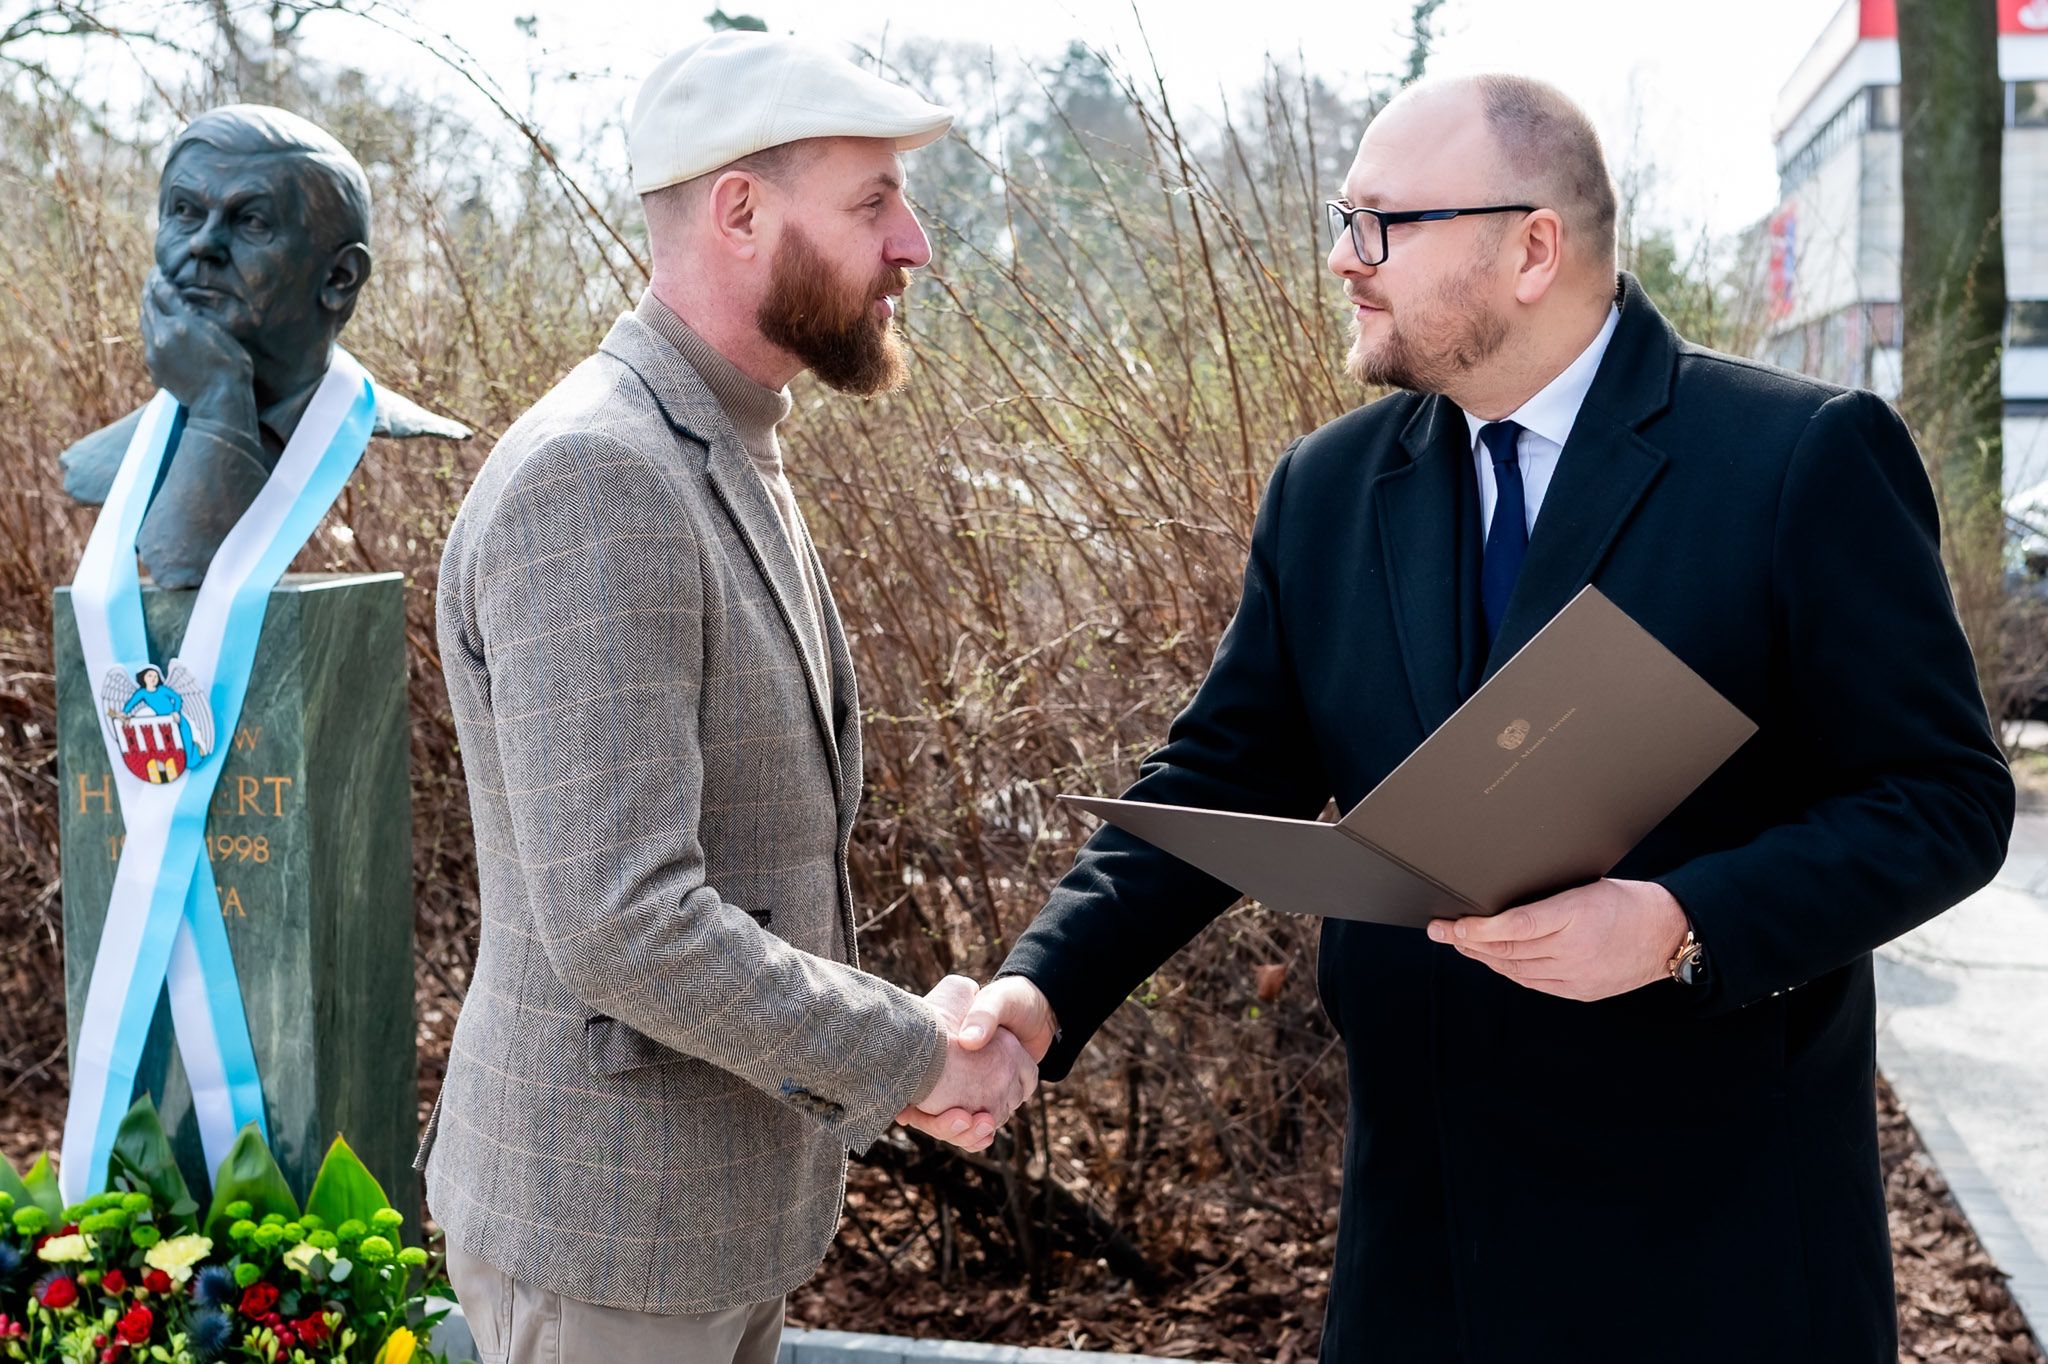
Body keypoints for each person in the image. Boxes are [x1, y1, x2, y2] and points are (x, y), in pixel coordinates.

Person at [953, 74, 2015, 1362]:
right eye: (1343, 219)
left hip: (1709, 1252)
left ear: (1530, 248)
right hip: (1420, 1247)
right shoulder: (1326, 491)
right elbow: (1217, 778)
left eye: (1381, 224)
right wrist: (1038, 989)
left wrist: (1681, 923)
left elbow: (1942, 799)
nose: (1342, 260)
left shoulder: (1796, 460)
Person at [418, 33, 1030, 1364]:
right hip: (613, 1243)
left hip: (707, 1221)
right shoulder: (600, 475)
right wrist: (912, 1056)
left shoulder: (721, 439)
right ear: (739, 213)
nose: (913, 244)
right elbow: (627, 923)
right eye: (873, 203)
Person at [59, 104, 469, 588]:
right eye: (185, 212)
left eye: (252, 221)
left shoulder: (417, 461)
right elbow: (183, 568)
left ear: (340, 277)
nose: (202, 245)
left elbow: (189, 560)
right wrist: (216, 401)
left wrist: (218, 401)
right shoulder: (97, 463)